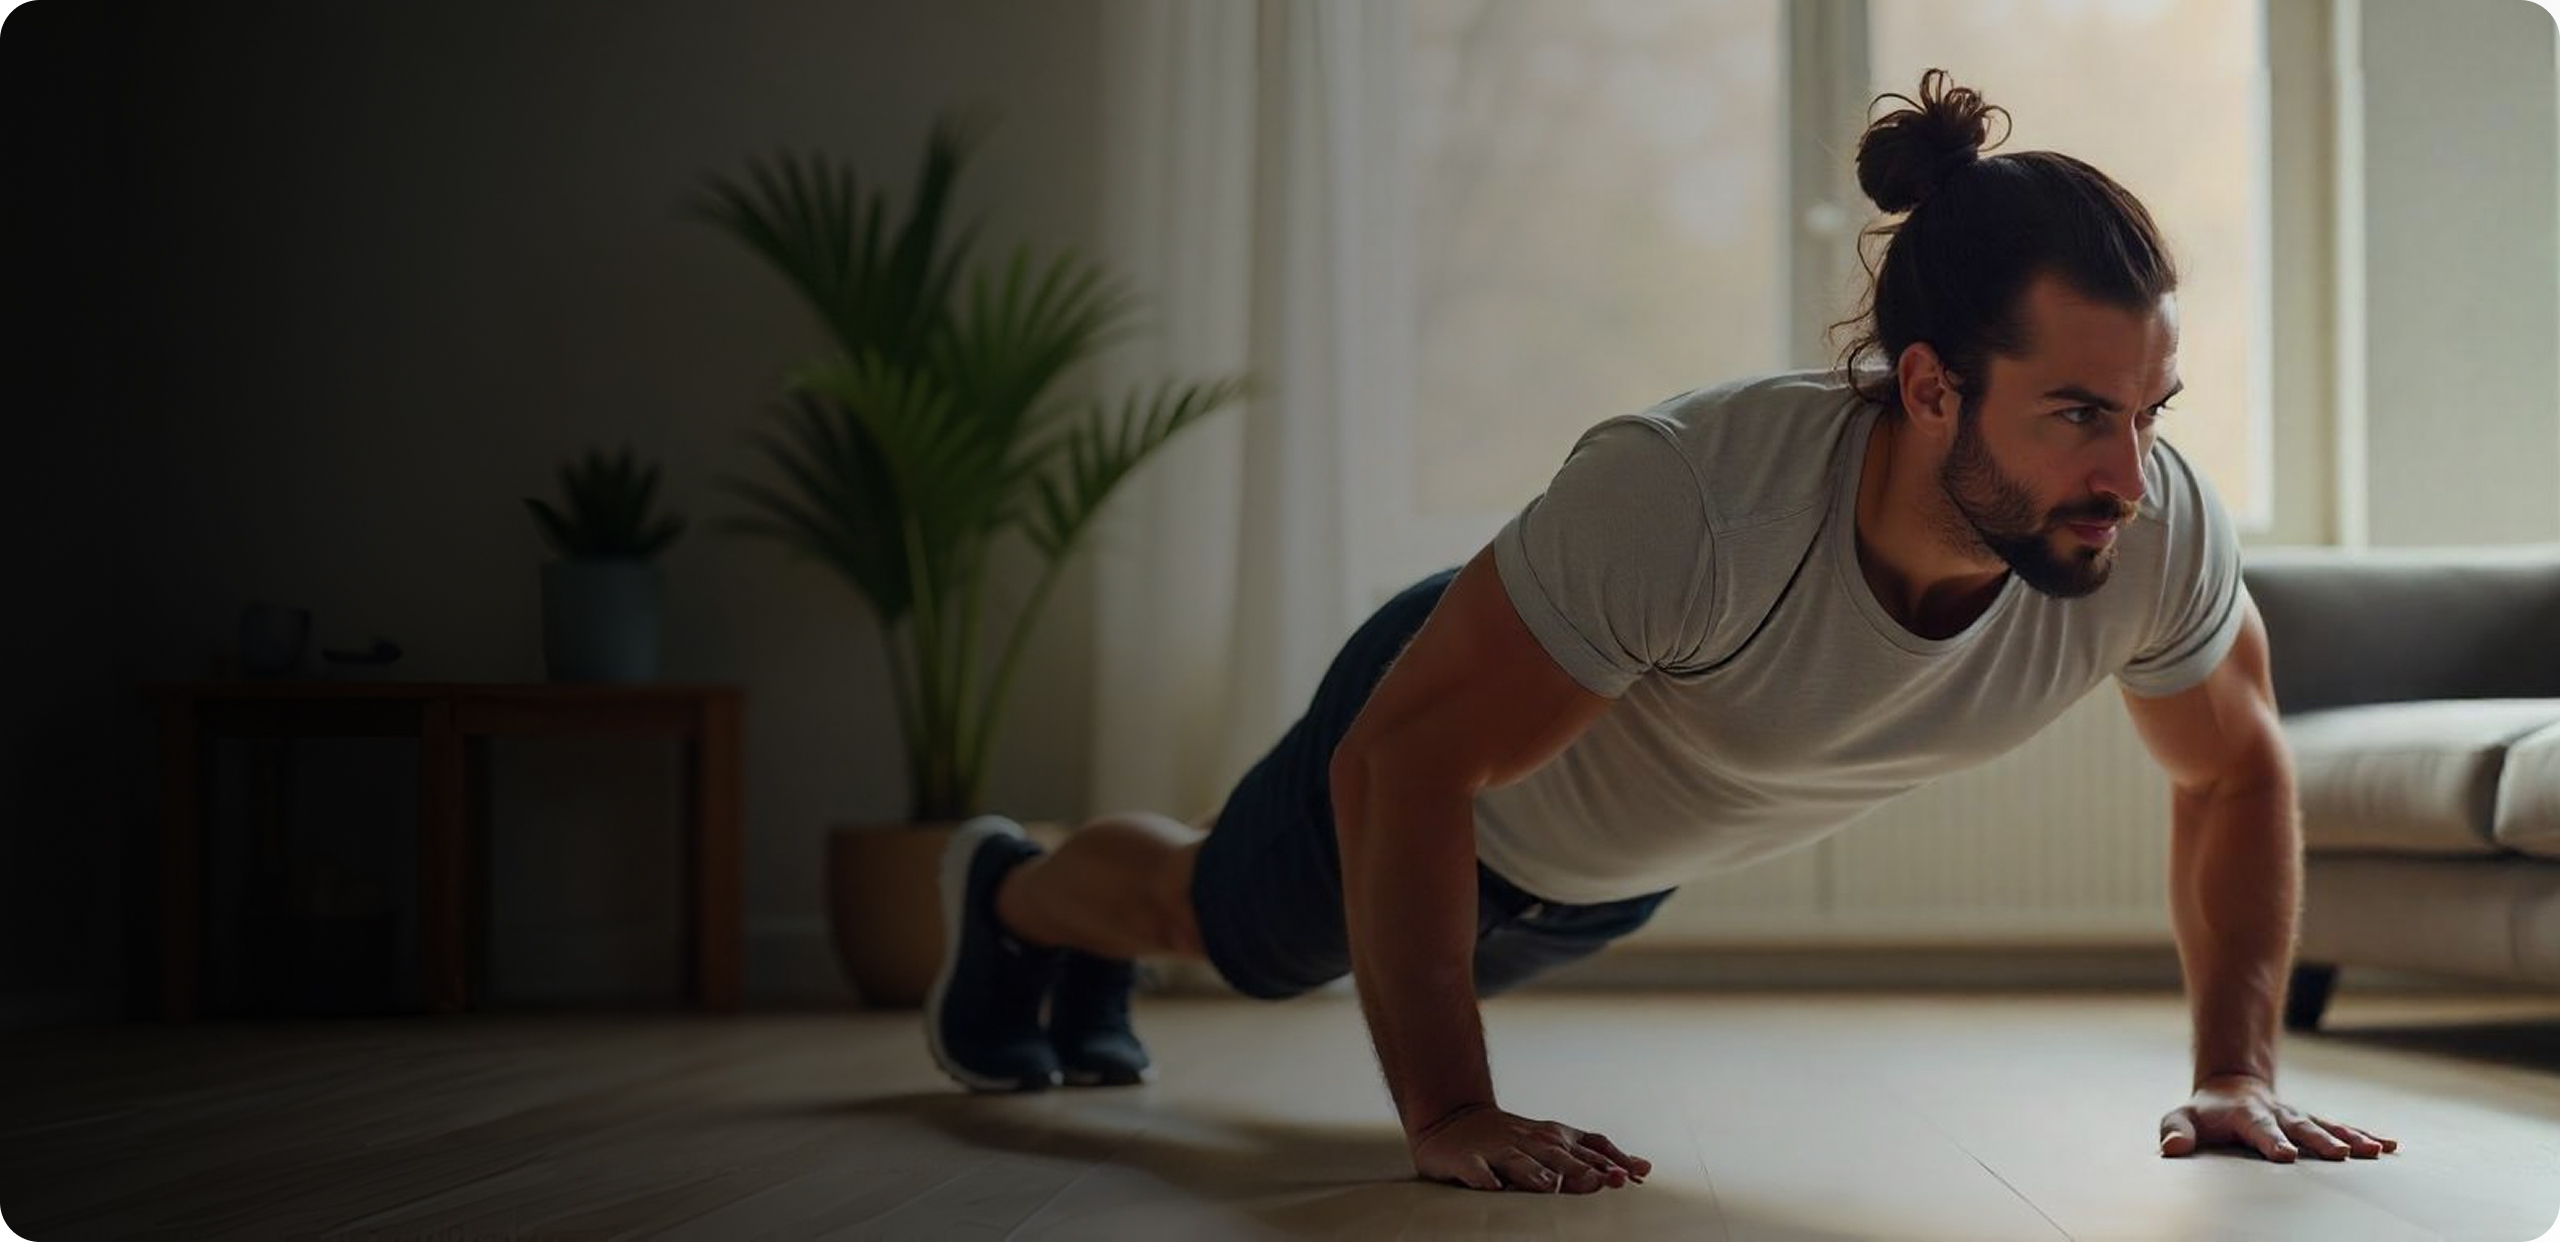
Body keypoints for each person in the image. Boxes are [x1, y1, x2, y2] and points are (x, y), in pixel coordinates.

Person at [921, 68, 2400, 1193]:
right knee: (1219, 925)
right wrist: (1450, 1112)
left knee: (1261, 923)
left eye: (2150, 412)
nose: (2128, 476)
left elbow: (2234, 771)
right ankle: (1018, 898)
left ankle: (1069, 929)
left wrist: (2236, 1070)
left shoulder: (2150, 531)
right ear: (1931, 387)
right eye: (2077, 413)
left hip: (1604, 871)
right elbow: (1401, 766)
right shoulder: (1693, 496)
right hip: (1447, 756)